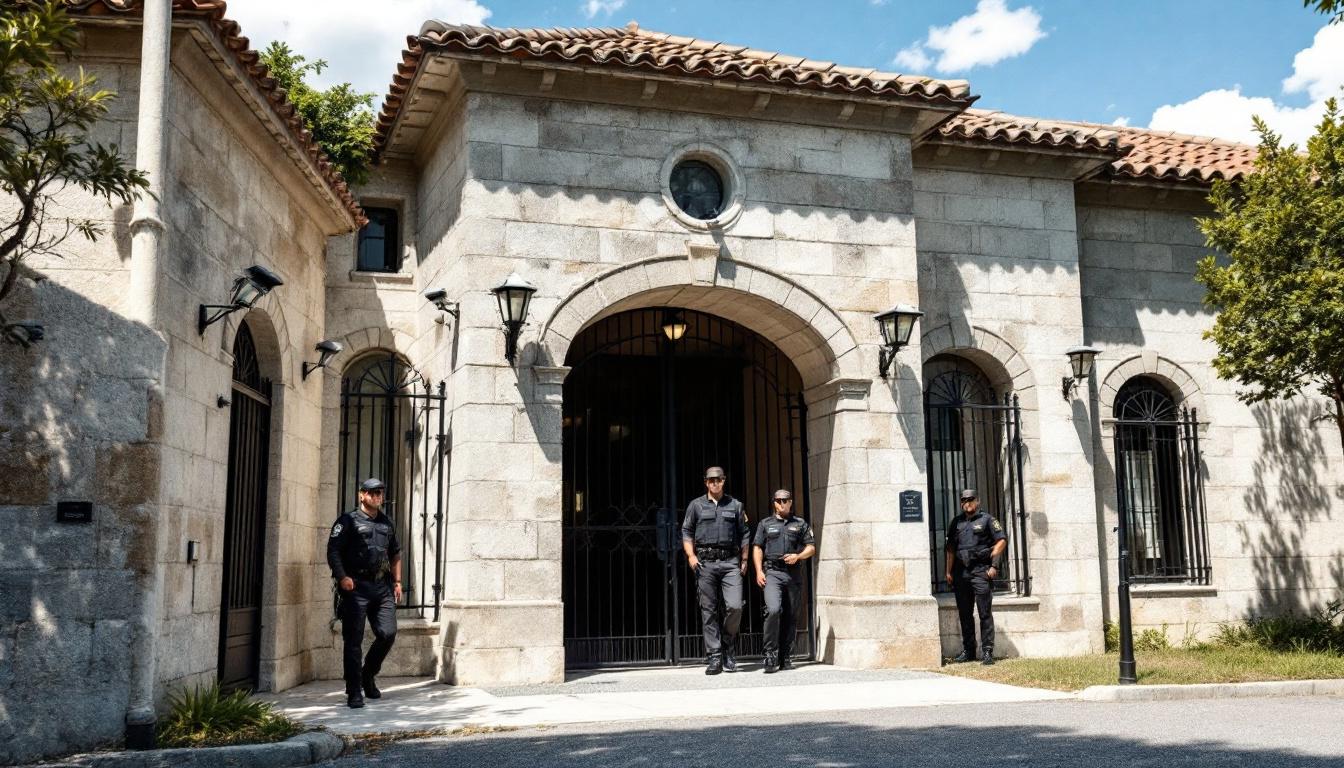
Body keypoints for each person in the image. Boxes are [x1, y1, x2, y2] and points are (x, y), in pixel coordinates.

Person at [328, 477, 402, 708]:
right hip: (356, 587)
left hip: (382, 587)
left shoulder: (386, 523)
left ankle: (367, 674)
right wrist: (343, 577)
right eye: (372, 493)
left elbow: (395, 553)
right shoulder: (347, 520)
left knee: (388, 633)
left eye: (380, 492)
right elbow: (333, 551)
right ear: (362, 495)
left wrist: (398, 581)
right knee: (353, 640)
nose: (377, 496)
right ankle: (354, 690)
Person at [682, 466, 750, 675]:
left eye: (718, 479)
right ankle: (715, 656)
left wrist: (745, 558)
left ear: (724, 480)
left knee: (735, 606)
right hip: (706, 563)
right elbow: (686, 531)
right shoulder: (696, 505)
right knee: (708, 610)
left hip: (730, 562)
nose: (715, 483)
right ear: (706, 482)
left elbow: (745, 533)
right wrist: (691, 556)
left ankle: (728, 643)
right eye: (711, 480)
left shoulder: (736, 505)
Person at [752, 489, 815, 673]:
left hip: (793, 574)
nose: (781, 503)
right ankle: (770, 654)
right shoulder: (765, 524)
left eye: (785, 500)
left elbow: (811, 548)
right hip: (772, 572)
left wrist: (798, 556)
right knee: (773, 610)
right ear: (774, 503)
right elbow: (757, 547)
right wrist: (758, 571)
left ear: (790, 502)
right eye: (778, 500)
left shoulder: (800, 524)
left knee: (791, 615)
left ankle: (785, 655)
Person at [944, 488, 1007, 665]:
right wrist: (948, 571)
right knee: (965, 614)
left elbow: (1001, 540)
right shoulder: (956, 522)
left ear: (977, 501)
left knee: (984, 613)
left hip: (980, 571)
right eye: (964, 500)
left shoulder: (987, 519)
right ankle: (969, 650)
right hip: (961, 573)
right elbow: (950, 549)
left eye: (971, 499)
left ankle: (987, 651)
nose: (967, 503)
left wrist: (993, 564)